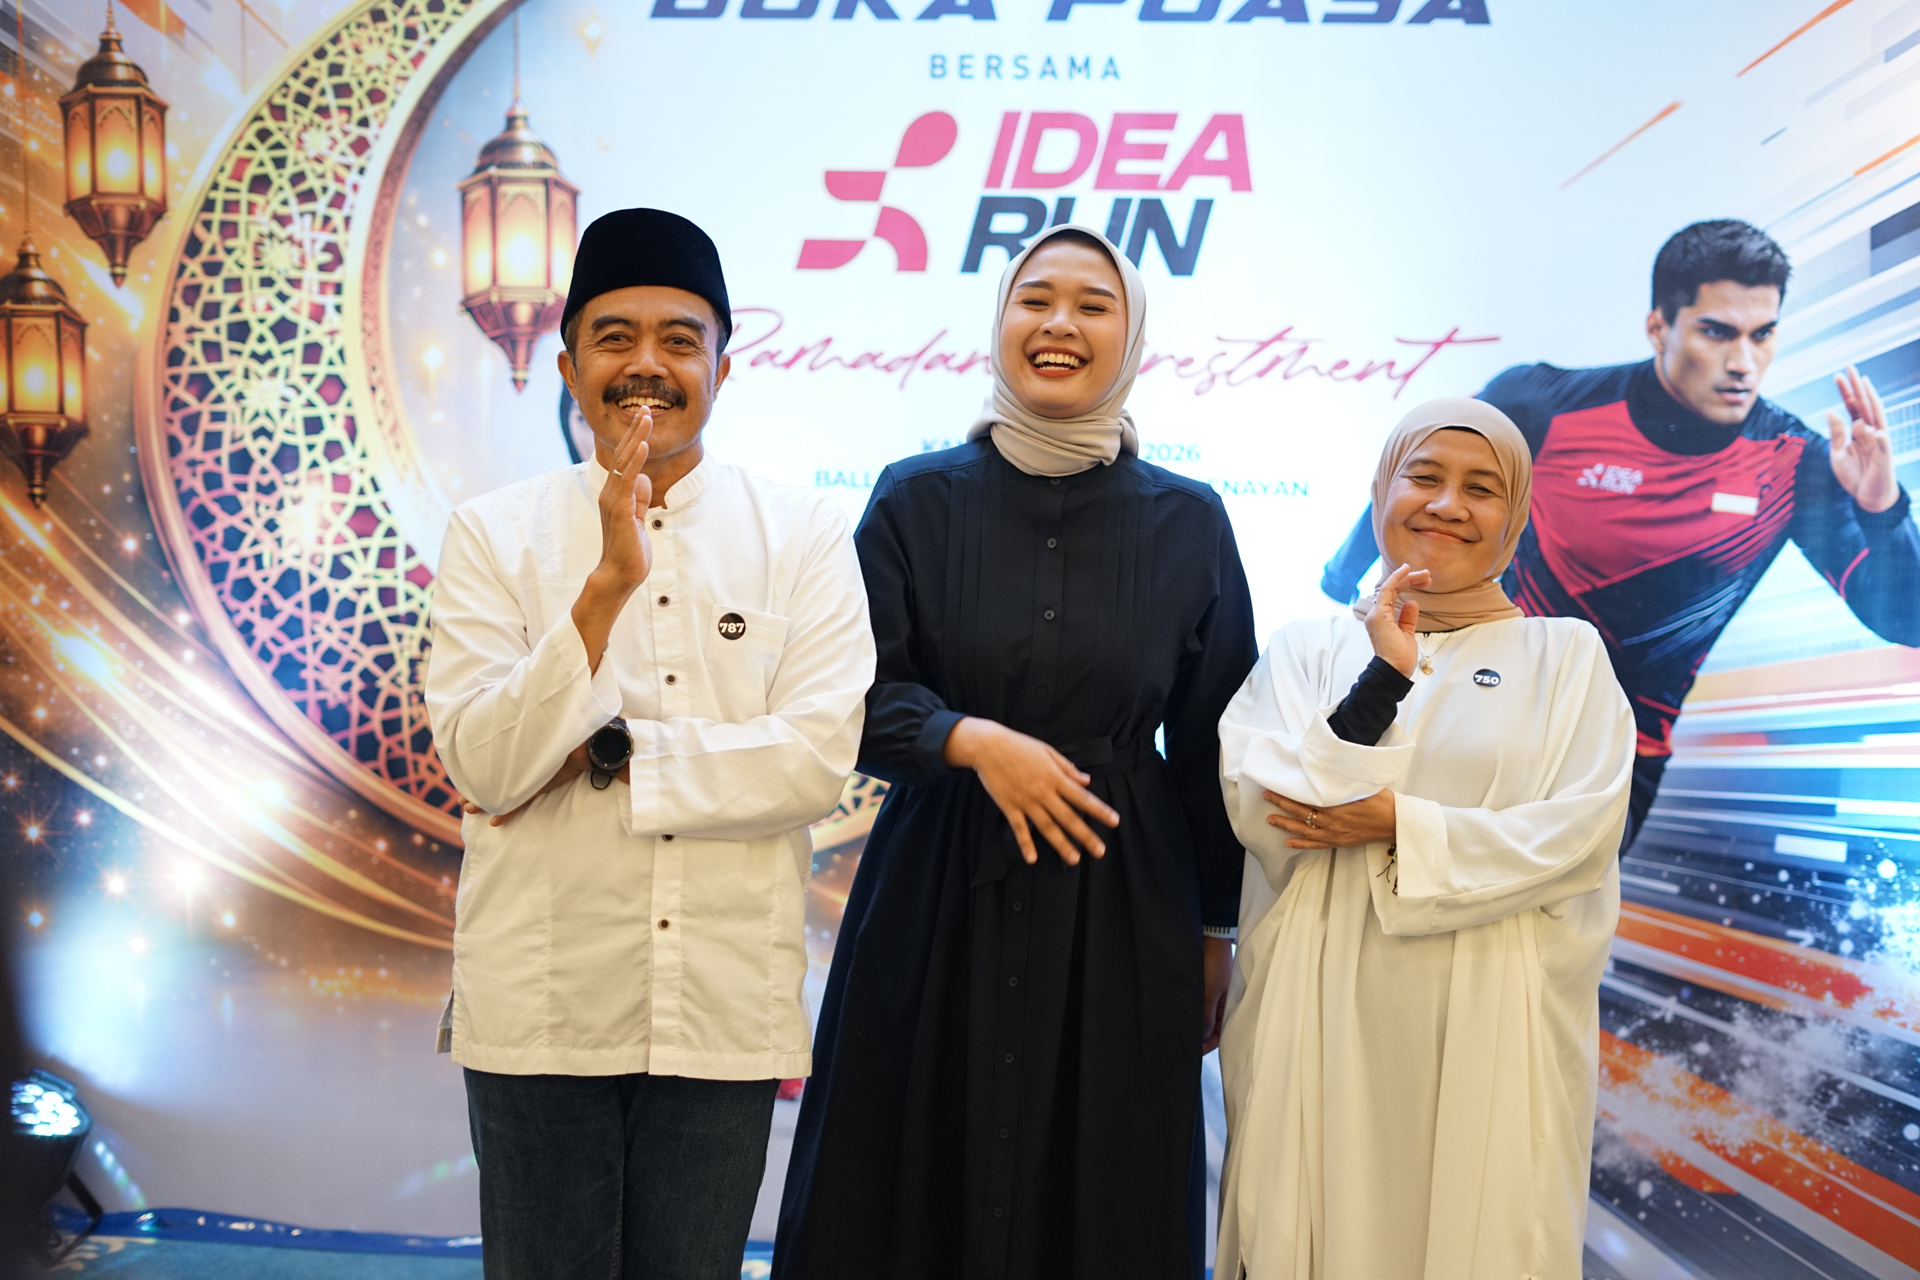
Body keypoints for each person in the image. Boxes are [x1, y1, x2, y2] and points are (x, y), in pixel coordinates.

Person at [775, 225, 1257, 1280]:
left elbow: (1215, 743)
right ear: (999, 322)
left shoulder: (1190, 521)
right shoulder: (914, 497)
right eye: (1034, 299)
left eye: (1093, 304)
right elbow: (848, 693)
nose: (1059, 323)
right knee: (901, 1169)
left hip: (1121, 895)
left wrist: (1217, 927)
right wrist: (967, 737)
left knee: (1101, 1178)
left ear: (1131, 335)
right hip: (935, 884)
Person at [425, 208, 876, 1279]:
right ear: (569, 365)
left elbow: (815, 758)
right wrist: (605, 590)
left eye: (680, 339)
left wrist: (611, 754)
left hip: (720, 999)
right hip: (542, 997)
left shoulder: (803, 532)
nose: (647, 366)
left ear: (724, 365)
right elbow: (483, 763)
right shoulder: (493, 532)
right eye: (614, 337)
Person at [1319, 220, 1920, 846]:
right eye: (1717, 332)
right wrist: (1341, 583)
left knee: (1542, 905)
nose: (1744, 363)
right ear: (1659, 327)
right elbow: (1412, 481)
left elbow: (1907, 623)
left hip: (1622, 754)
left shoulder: (1794, 462)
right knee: (1404, 884)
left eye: (1762, 334)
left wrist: (1884, 509)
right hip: (1473, 711)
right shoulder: (1541, 401)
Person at [1217, 398, 1634, 1279]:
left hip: (1492, 1018)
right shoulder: (1306, 648)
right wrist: (1384, 676)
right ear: (1381, 490)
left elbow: (1580, 835)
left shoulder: (1566, 657)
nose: (1447, 504)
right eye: (1425, 476)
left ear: (1515, 517)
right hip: (1317, 1004)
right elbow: (1270, 806)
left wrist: (1400, 825)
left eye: (1482, 488)